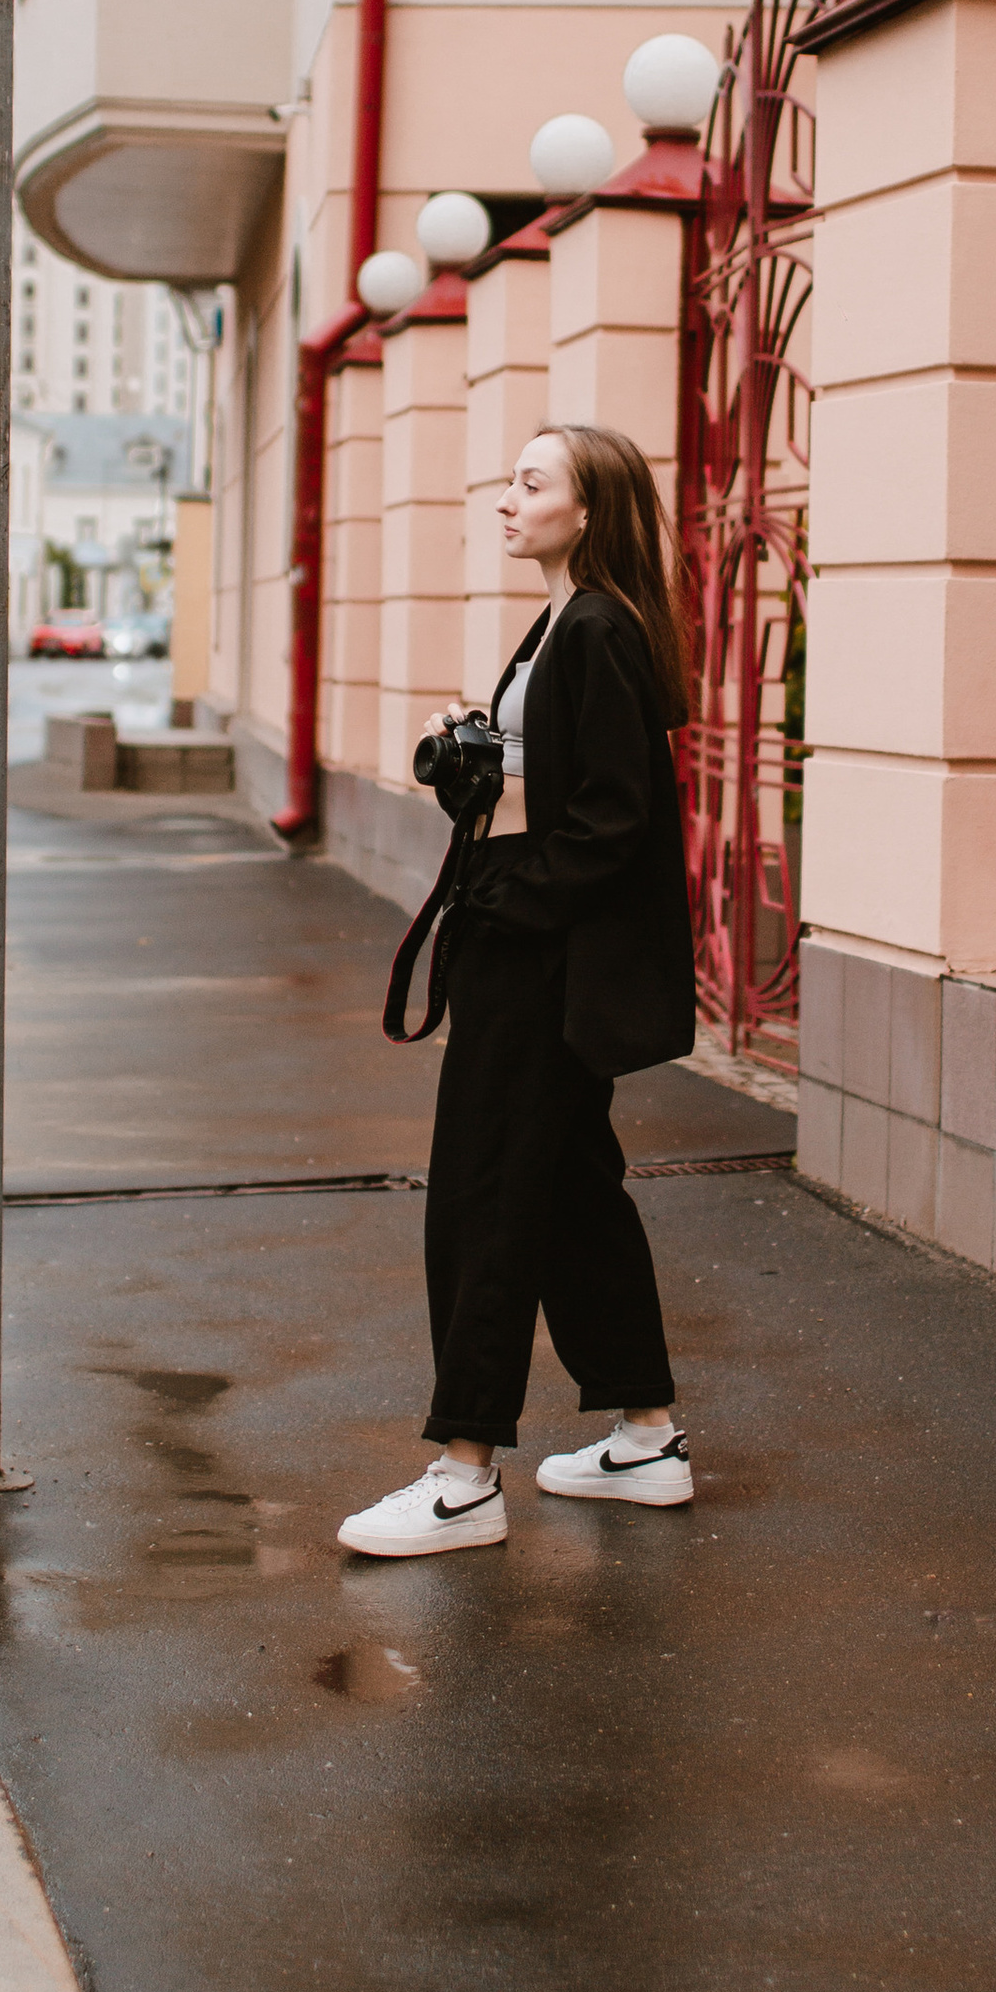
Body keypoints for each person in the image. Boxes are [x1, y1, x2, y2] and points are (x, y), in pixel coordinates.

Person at [338, 421, 699, 1559]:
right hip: (540, 949)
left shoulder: (592, 628)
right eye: (509, 479)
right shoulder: (562, 626)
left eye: (530, 482)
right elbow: (559, 794)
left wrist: (502, 902)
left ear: (589, 509)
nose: (506, 498)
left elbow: (609, 825)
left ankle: (463, 1476)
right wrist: (473, 753)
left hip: (541, 958)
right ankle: (646, 1437)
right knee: (575, 1191)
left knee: (487, 1196)